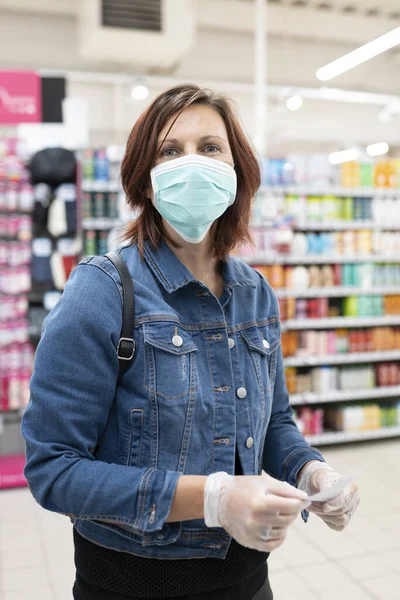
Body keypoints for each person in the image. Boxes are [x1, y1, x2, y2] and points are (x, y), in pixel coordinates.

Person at [22, 84, 360, 600]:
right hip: (129, 584)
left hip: (248, 581)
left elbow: (273, 422)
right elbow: (55, 469)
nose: (192, 164)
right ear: (147, 180)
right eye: (170, 150)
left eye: (210, 147)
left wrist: (312, 470)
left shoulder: (254, 292)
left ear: (236, 168)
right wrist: (214, 498)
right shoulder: (103, 290)